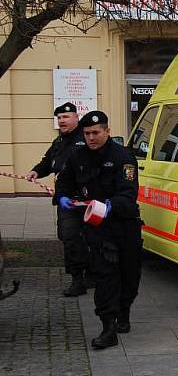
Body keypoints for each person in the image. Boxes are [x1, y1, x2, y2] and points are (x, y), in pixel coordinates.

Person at [55, 111, 142, 349]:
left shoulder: (123, 157)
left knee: (129, 276)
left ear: (107, 132)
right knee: (104, 276)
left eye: (96, 132)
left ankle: (123, 313)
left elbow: (128, 192)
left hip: (124, 224)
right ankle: (108, 327)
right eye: (87, 133)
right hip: (96, 226)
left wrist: (112, 204)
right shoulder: (78, 155)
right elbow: (64, 180)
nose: (91, 137)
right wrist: (62, 196)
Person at [27, 102, 89, 297]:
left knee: (93, 238)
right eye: (59, 118)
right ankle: (78, 280)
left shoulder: (86, 138)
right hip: (66, 201)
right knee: (69, 239)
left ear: (76, 118)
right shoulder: (59, 141)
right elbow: (48, 161)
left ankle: (94, 275)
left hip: (87, 200)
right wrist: (36, 170)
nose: (62, 121)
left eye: (66, 117)